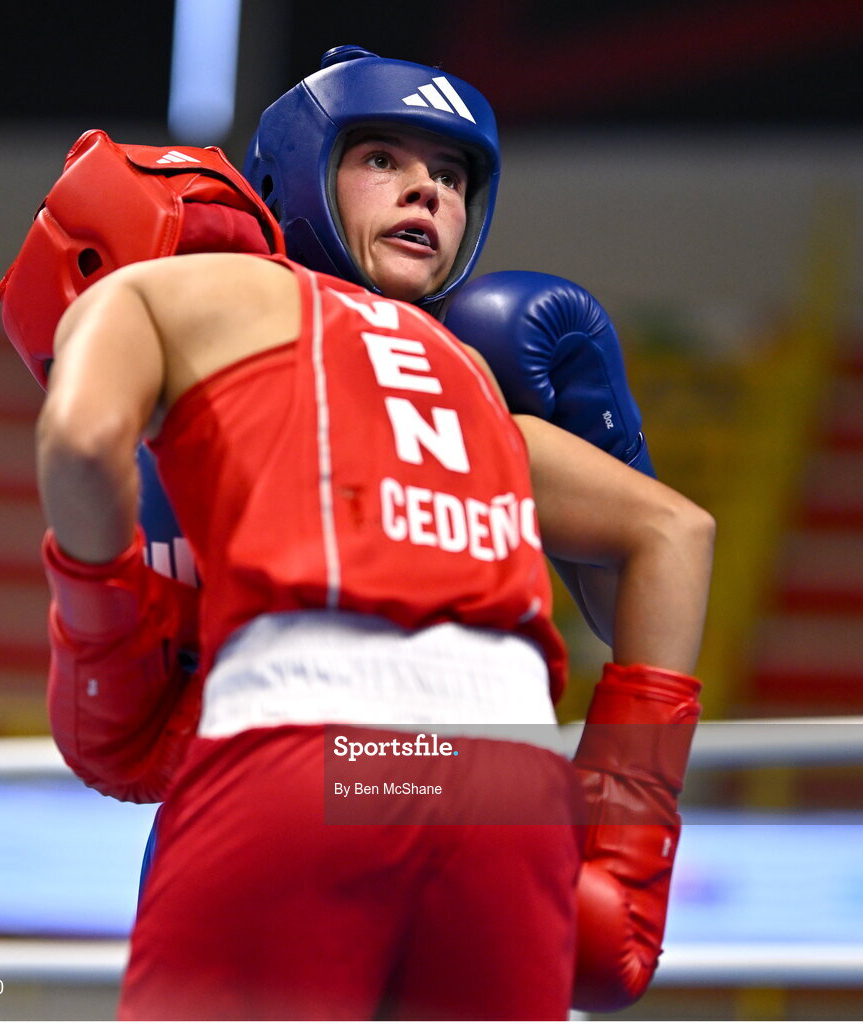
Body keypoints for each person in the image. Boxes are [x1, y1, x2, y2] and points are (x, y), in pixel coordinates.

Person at [35, 51, 714, 1019]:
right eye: (383, 160)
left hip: (307, 741)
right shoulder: (478, 388)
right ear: (297, 175)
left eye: (448, 176)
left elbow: (78, 433)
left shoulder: (183, 305)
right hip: (504, 782)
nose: (426, 192)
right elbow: (672, 531)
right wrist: (625, 842)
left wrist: (97, 624)